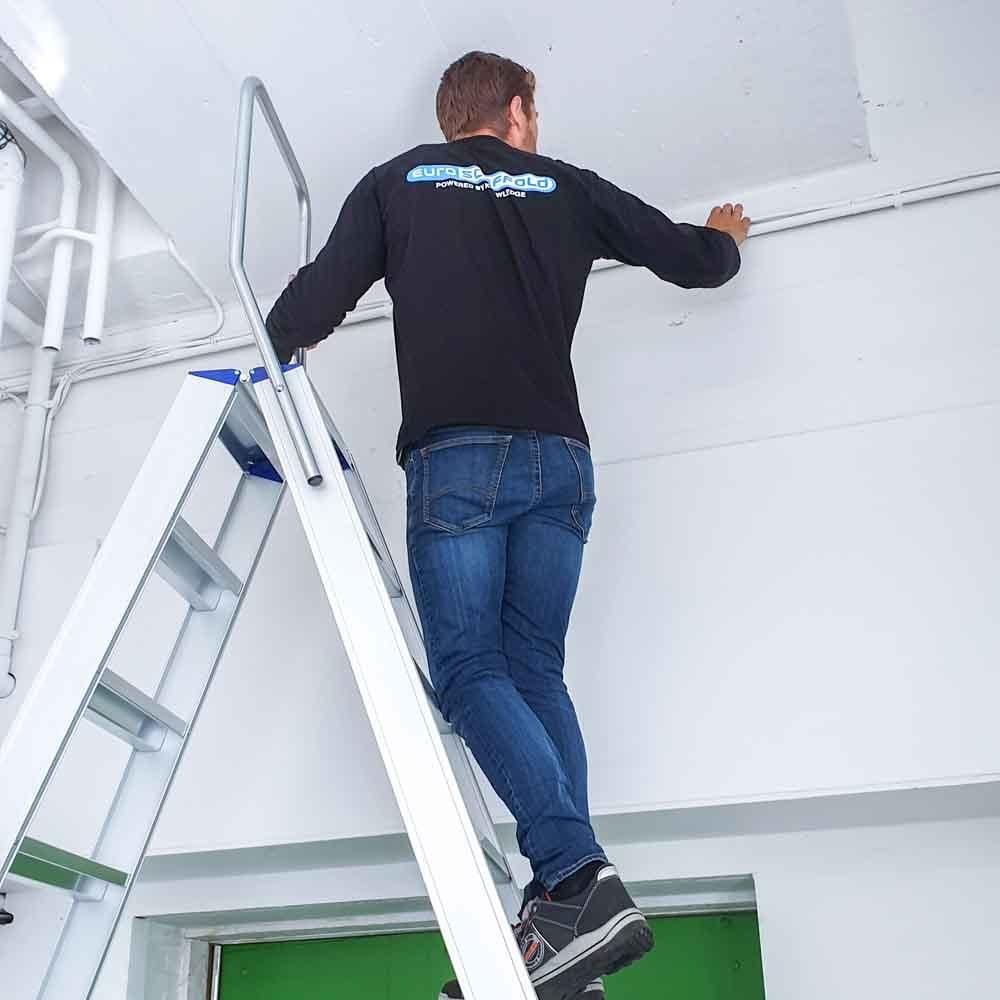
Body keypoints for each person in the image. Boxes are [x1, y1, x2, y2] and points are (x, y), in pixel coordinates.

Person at [266, 50, 749, 1000]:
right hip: (561, 465)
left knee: (469, 671)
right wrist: (725, 240)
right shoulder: (568, 186)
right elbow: (692, 260)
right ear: (519, 111)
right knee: (534, 671)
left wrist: (273, 351)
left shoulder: (398, 180)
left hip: (459, 462)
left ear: (452, 118)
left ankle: (573, 878)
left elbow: (310, 307)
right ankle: (562, 910)